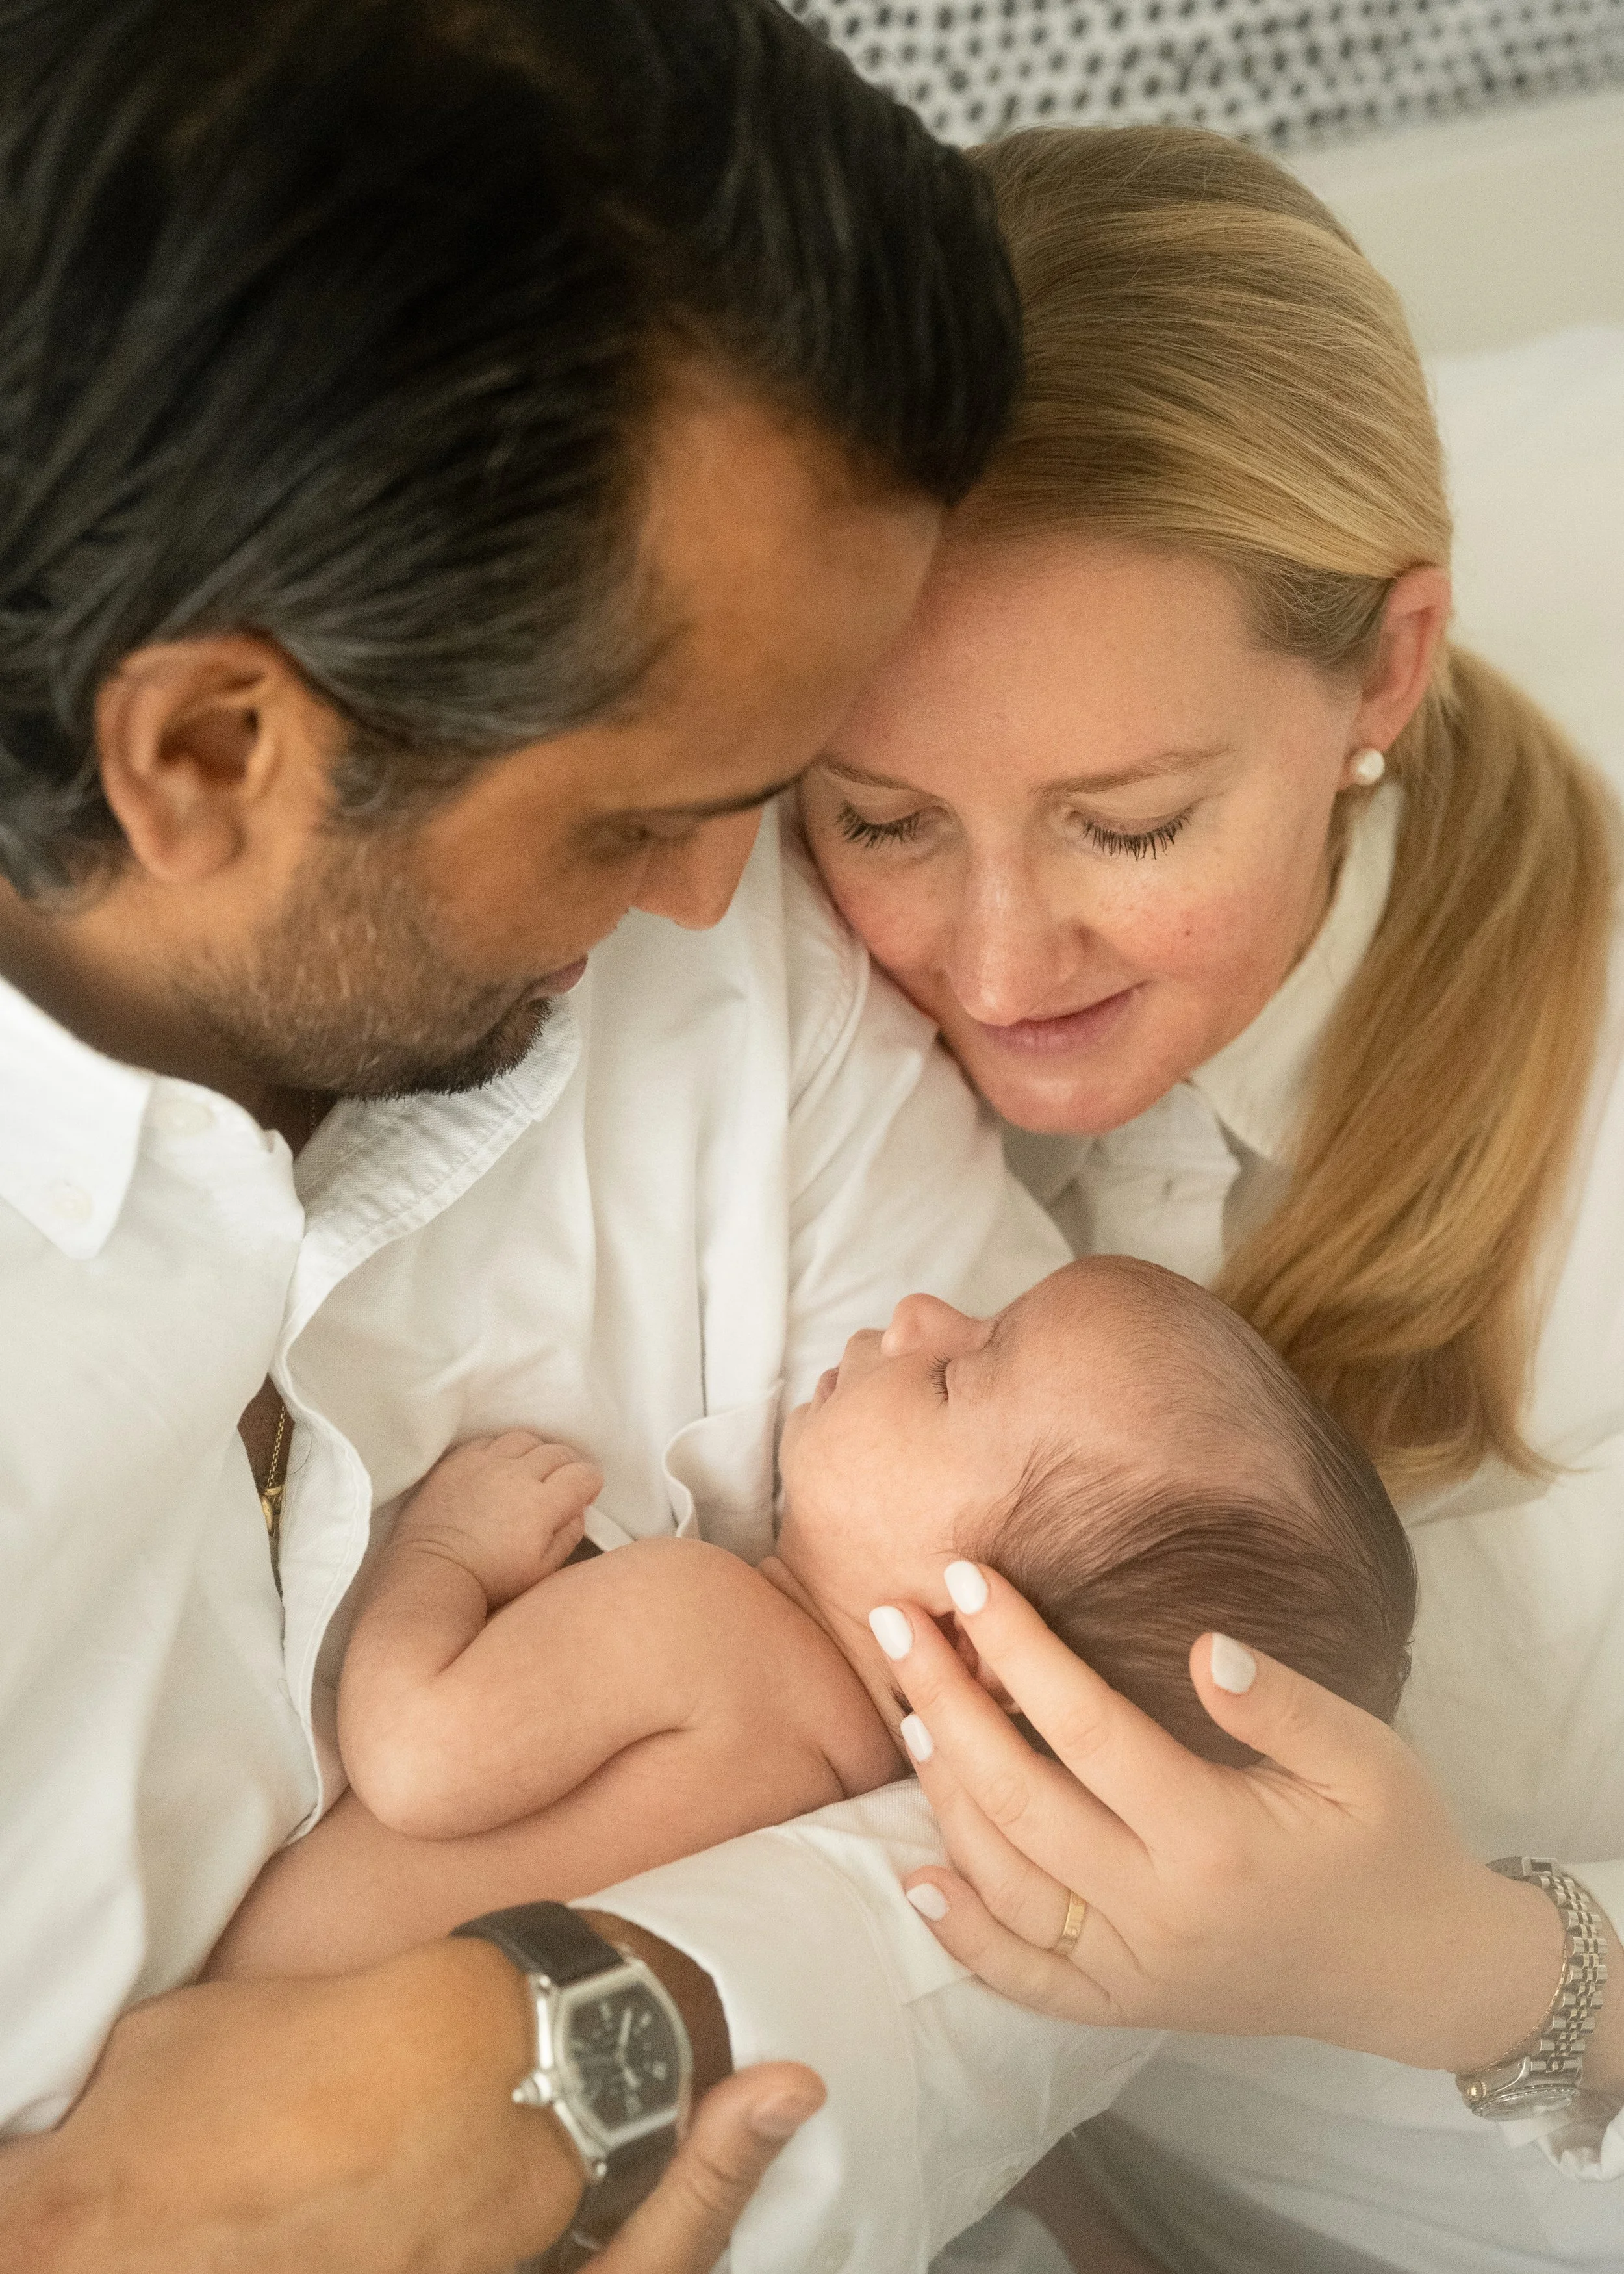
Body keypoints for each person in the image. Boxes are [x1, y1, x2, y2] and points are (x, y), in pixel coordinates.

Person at [0, 10, 1162, 2270]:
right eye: (637, 816)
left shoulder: (700, 959)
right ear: (210, 752)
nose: (730, 904)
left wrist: (574, 2040)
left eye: (770, 792)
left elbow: (1142, 1775)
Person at [793, 124, 1624, 2270]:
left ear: (1383, 670)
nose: (992, 971)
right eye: (880, 816)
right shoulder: (756, 977)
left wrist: (1477, 1973)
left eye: (1133, 829)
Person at [203, 1255, 1415, 1978]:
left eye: (959, 1371)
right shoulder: (847, 1797)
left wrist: (445, 1553)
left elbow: (418, 1759)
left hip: (234, 2058)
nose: (923, 1314)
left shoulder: (708, 1625)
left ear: (992, 1655)